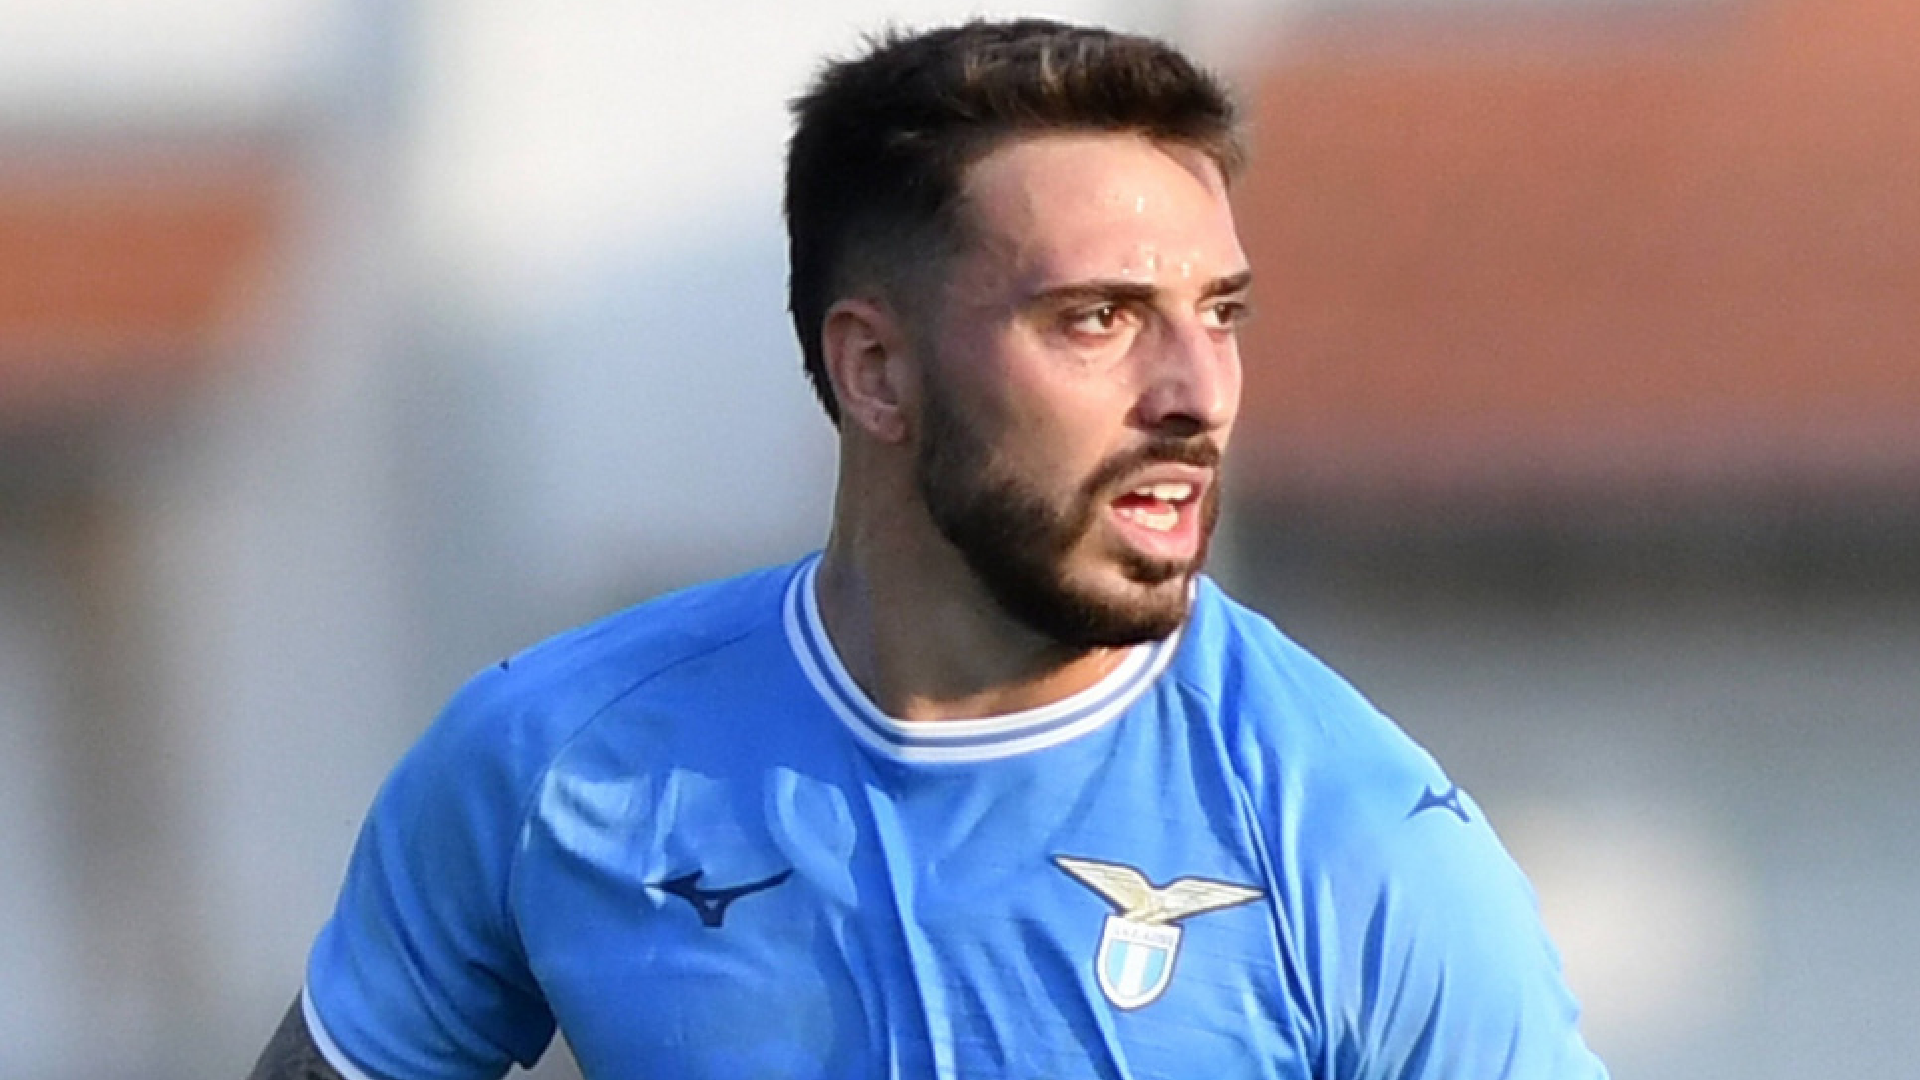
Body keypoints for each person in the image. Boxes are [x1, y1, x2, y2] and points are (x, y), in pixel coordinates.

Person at [250, 18, 1607, 1080]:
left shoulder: (1356, 835)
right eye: (1098, 318)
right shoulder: (548, 764)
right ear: (876, 372)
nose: (1199, 392)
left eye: (1221, 313)